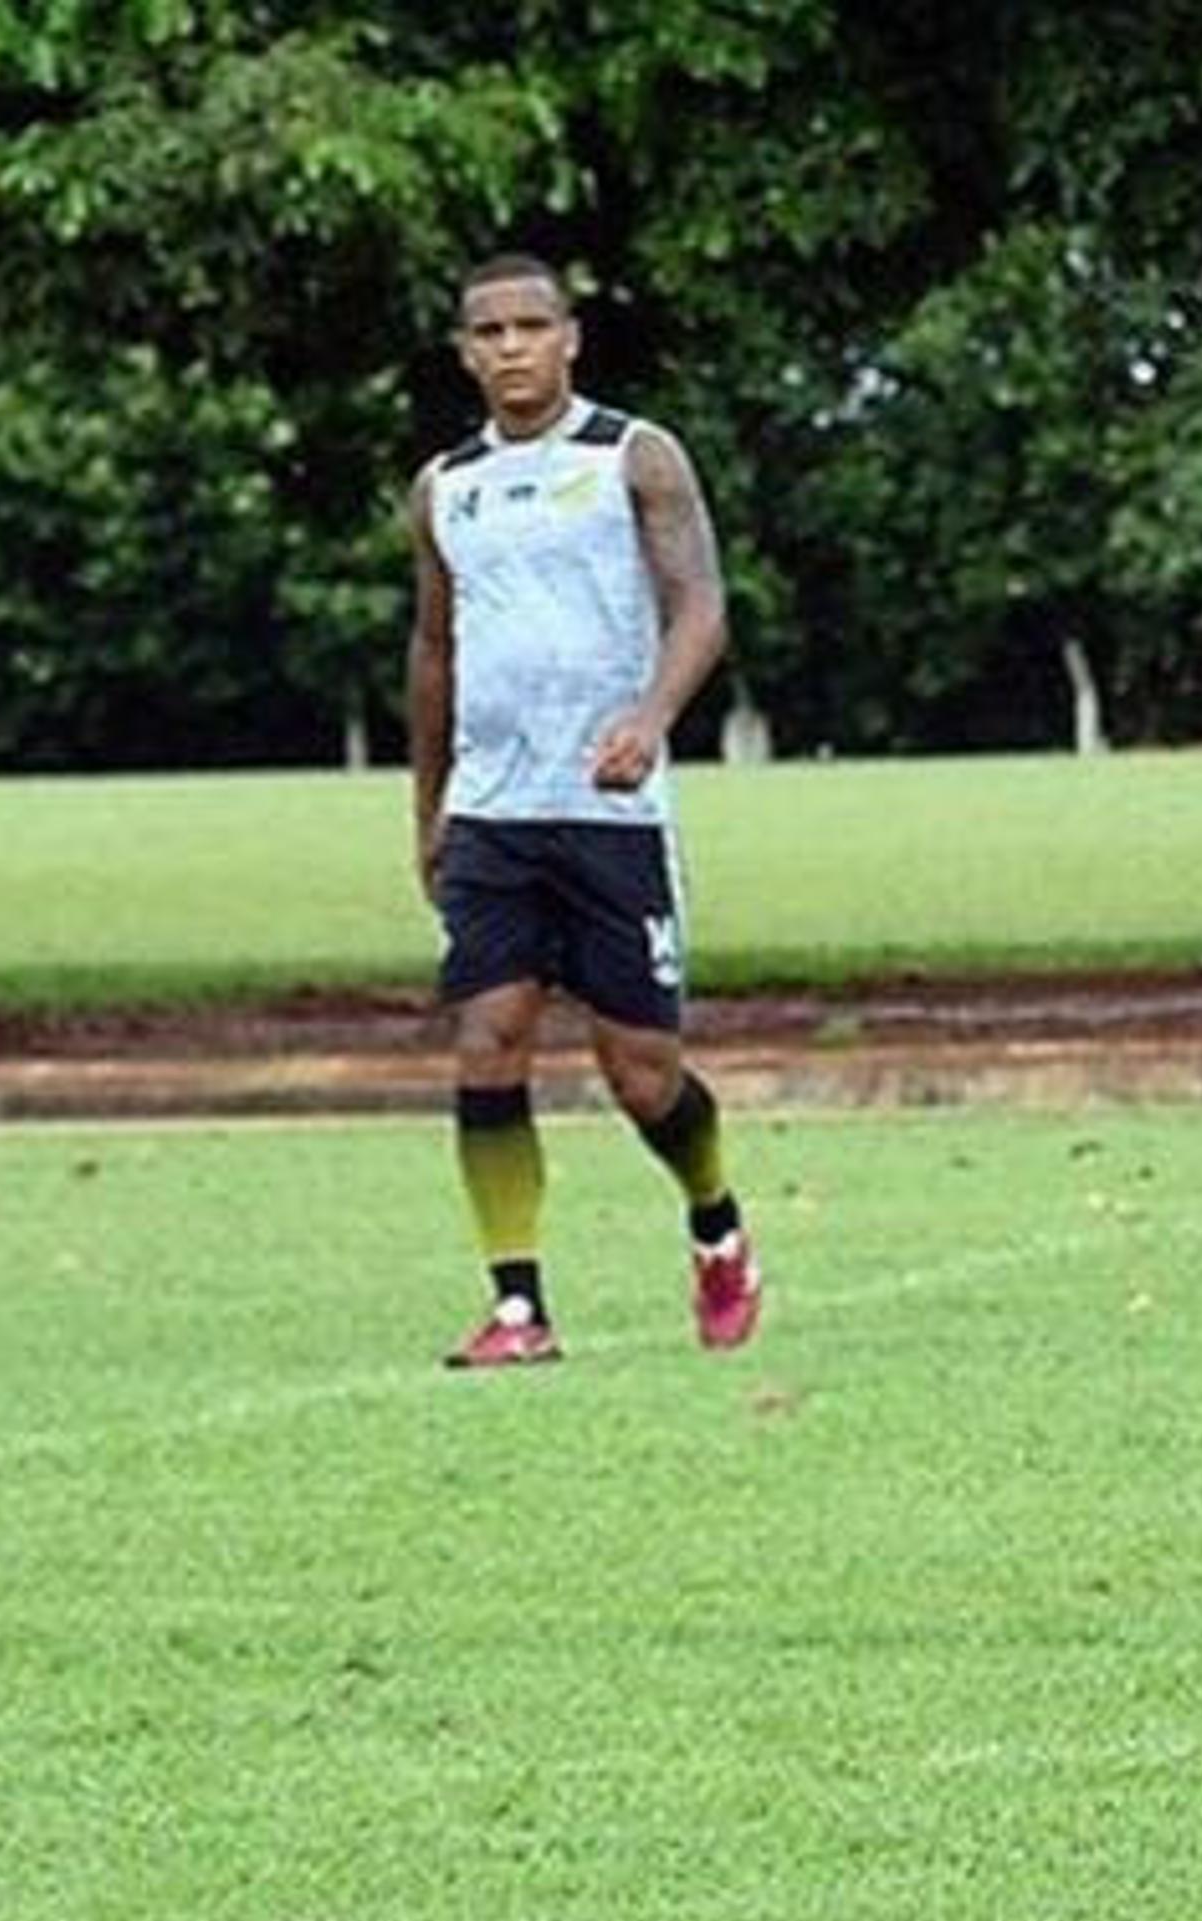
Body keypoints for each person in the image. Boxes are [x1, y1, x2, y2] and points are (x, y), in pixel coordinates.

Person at [409, 252, 758, 1371]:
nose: (510, 348)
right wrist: (430, 807)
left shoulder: (632, 456)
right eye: (488, 332)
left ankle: (715, 1221)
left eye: (530, 326)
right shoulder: (445, 488)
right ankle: (518, 1308)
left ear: (571, 337)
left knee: (640, 1071)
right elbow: (433, 648)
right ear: (465, 352)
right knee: (486, 1041)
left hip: (609, 815)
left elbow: (701, 602)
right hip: (494, 815)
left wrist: (652, 716)